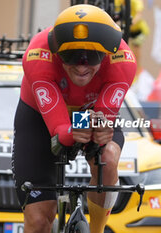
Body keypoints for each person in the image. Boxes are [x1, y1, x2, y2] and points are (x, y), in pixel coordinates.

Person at [12, 4, 136, 233]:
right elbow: (59, 128)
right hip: (39, 117)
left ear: (108, 52)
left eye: (93, 56)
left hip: (90, 110)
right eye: (70, 56)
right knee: (39, 220)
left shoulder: (123, 62)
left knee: (107, 157)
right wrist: (70, 133)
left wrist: (97, 131)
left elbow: (101, 120)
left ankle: (97, 229)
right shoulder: (38, 55)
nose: (82, 65)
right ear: (57, 51)